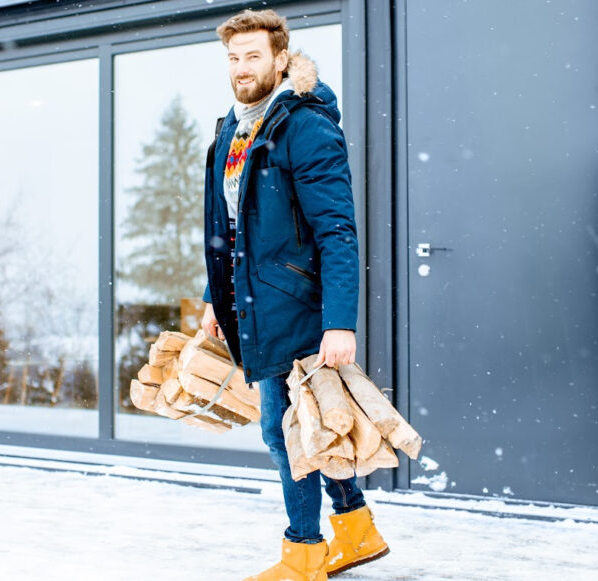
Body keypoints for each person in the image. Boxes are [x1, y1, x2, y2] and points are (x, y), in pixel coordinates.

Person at [199, 9, 389, 580]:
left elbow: (336, 230)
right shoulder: (230, 130)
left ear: (281, 58)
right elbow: (227, 231)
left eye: (253, 55)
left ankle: (304, 555)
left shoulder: (305, 127)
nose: (241, 68)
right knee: (306, 425)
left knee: (283, 431)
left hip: (298, 306)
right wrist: (214, 297)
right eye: (233, 58)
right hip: (255, 303)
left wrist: (340, 322)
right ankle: (356, 531)